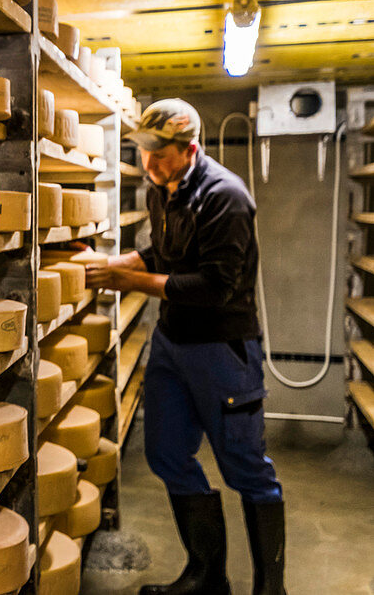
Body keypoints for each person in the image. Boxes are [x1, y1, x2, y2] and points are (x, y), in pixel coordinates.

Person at [85, 99, 285, 595]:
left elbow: (214, 285)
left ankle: (270, 588)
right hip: (173, 344)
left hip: (222, 348)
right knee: (167, 453)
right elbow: (167, 251)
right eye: (145, 151)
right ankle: (206, 577)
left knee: (247, 469)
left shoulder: (226, 197)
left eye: (160, 153)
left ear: (190, 148)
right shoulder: (162, 189)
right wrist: (123, 261)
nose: (149, 163)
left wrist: (128, 279)